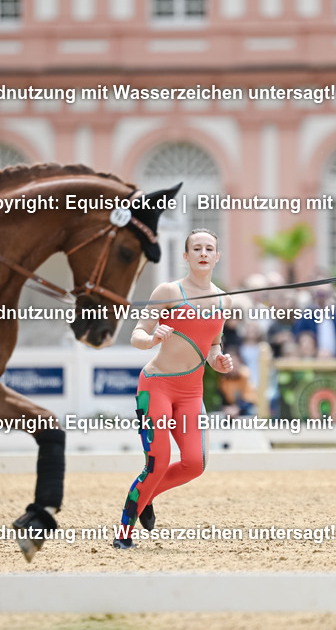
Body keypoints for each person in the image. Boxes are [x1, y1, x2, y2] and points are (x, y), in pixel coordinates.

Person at [113, 229, 234, 549]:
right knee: (157, 462)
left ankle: (147, 495)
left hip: (192, 394)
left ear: (217, 256)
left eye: (210, 248)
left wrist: (218, 361)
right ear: (186, 256)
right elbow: (137, 333)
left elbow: (213, 345)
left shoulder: (224, 299)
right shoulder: (168, 291)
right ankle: (123, 533)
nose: (203, 253)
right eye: (197, 248)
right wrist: (152, 339)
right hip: (157, 387)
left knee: (195, 464)